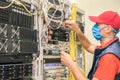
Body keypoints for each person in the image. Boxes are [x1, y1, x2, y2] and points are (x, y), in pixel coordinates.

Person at [60, 11, 120, 80]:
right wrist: (78, 31)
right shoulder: (113, 46)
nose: (95, 27)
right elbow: (89, 46)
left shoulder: (109, 57)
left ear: (108, 29)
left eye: (97, 25)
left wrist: (71, 65)